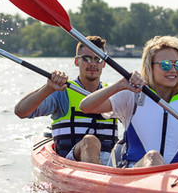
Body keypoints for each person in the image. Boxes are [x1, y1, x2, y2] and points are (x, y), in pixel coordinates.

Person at [80, 35, 178, 168]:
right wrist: (120, 85)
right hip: (136, 172)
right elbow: (85, 106)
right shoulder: (132, 97)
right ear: (150, 67)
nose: (173, 70)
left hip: (177, 177)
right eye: (166, 65)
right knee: (154, 157)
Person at [14, 35, 117, 165]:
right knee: (90, 142)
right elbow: (21, 111)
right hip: (70, 161)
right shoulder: (62, 92)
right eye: (86, 58)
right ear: (76, 61)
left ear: (104, 63)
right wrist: (48, 88)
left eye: (98, 59)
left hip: (110, 164)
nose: (92, 63)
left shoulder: (114, 93)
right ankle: (95, 181)